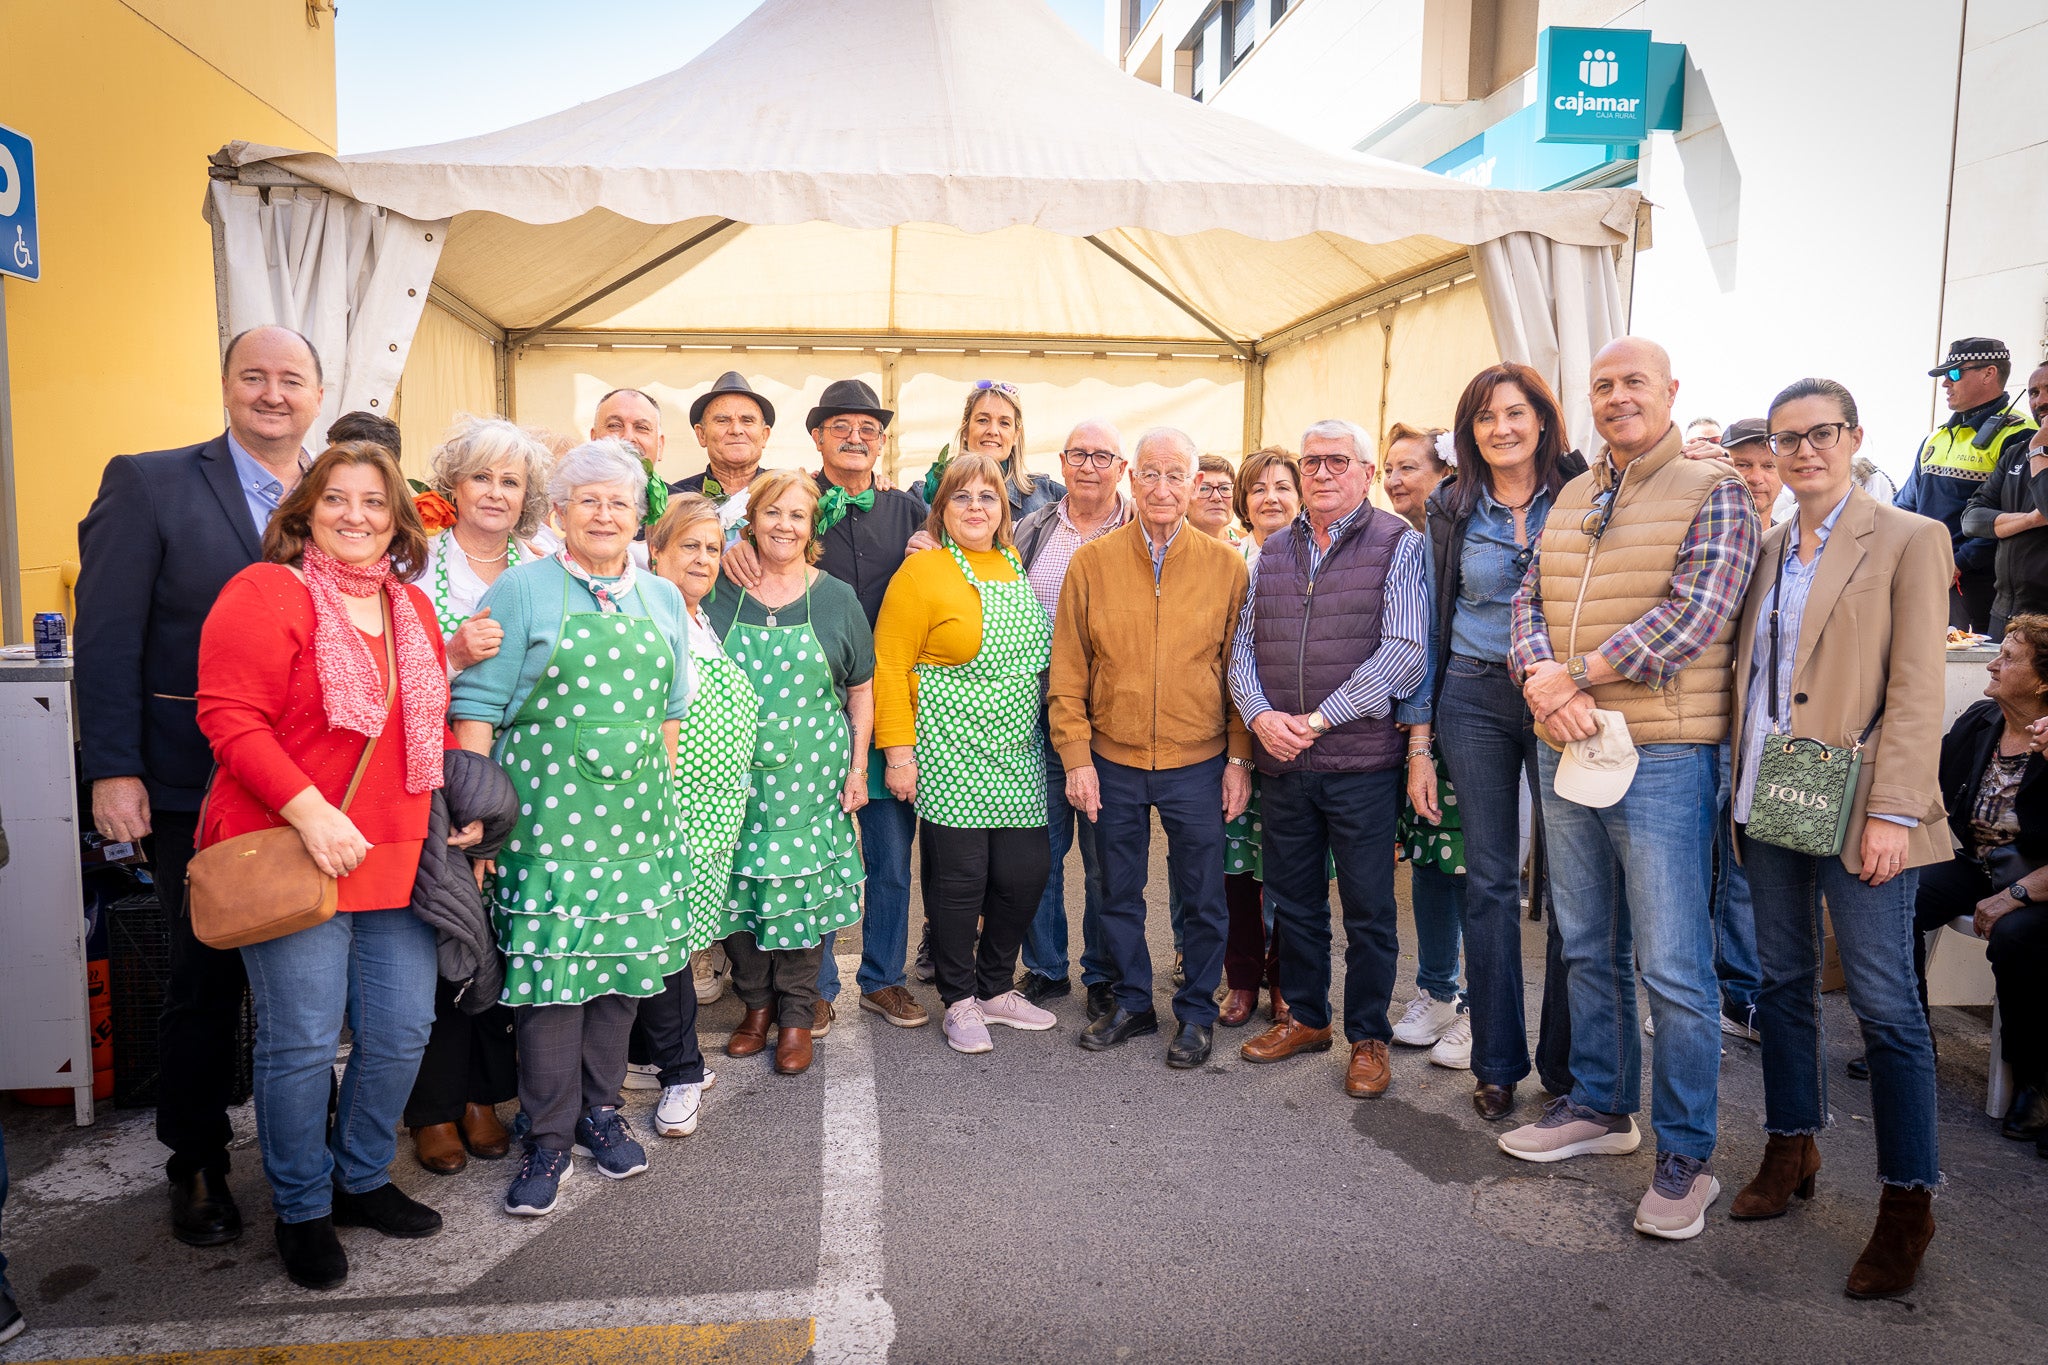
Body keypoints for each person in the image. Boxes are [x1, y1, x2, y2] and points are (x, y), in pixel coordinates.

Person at [1499, 336, 1760, 1243]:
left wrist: (1572, 678)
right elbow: (1525, 604)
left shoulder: (1715, 490)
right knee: (1584, 941)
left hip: (1663, 752)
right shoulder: (1573, 493)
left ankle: (1687, 1152)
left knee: (1675, 967)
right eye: (1603, 385)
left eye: (1634, 382)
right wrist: (1543, 680)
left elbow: (1698, 611)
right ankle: (1603, 1107)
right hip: (1567, 741)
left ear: (1671, 392)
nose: (1617, 397)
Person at [75, 324, 325, 1249]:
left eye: (290, 378)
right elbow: (105, 635)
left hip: (320, 785)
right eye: (253, 376)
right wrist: (113, 766)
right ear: (224, 385)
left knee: (312, 975)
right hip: (195, 779)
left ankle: (311, 1147)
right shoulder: (150, 483)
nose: (272, 393)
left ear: (316, 391)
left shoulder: (339, 490)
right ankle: (197, 1157)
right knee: (205, 974)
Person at [195, 441, 453, 1289]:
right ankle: (302, 1207)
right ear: (304, 511)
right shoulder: (267, 590)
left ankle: (360, 1177)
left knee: (400, 1029)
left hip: (394, 854)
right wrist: (312, 813)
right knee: (302, 1042)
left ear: (397, 518)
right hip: (293, 847)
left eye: (374, 502)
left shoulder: (411, 606)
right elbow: (231, 719)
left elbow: (428, 727)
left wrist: (460, 816)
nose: (356, 515)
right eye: (336, 498)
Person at [1726, 377, 1951, 1299]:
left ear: (1854, 436)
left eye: (1822, 433)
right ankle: (1793, 1143)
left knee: (1887, 1007)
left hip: (1862, 807)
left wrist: (1895, 811)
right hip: (1770, 798)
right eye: (1787, 438)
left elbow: (1919, 687)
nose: (1804, 450)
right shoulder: (1773, 544)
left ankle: (1908, 1202)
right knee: (1780, 984)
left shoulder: (1908, 537)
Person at [451, 438, 694, 1217]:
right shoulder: (523, 588)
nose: (603, 513)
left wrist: (666, 816)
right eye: (586, 499)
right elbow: (478, 710)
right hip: (546, 820)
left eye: (618, 501)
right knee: (553, 986)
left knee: (619, 977)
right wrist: (477, 819)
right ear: (557, 512)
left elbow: (670, 713)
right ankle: (548, 1134)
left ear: (637, 519)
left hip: (636, 821)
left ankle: (601, 1112)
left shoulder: (659, 597)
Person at [1401, 367, 1586, 1118]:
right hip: (1472, 694)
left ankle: (1567, 1065)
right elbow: (1431, 626)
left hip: (1564, 692)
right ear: (1468, 430)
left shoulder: (1584, 493)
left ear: (1543, 419)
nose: (1501, 427)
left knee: (1575, 886)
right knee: (1489, 881)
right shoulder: (1450, 506)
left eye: (1515, 412)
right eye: (1484, 416)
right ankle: (1498, 1061)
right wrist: (1419, 739)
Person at [723, 380, 929, 1033]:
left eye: (868, 428)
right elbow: (724, 530)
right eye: (841, 426)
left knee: (888, 856)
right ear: (817, 435)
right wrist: (732, 548)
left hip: (883, 698)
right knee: (804, 854)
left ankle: (885, 978)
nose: (856, 437)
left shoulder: (911, 511)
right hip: (806, 703)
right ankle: (814, 988)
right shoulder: (793, 499)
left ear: (882, 440)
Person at [1232, 418, 1427, 1098]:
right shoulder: (1275, 549)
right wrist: (1259, 715)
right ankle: (1308, 1017)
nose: (1319, 473)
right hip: (1285, 762)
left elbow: (1405, 651)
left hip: (1360, 762)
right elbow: (1242, 649)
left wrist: (1316, 720)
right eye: (1310, 461)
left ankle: (1367, 1035)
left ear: (1365, 473)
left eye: (1336, 461)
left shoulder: (1399, 543)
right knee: (1295, 897)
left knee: (1369, 906)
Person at [1051, 427, 1252, 1068]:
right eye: (1150, 474)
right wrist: (1077, 758)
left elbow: (1240, 670)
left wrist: (1239, 757)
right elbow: (1069, 671)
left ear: (1195, 486)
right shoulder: (1092, 562)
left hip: (1199, 760)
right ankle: (1133, 1001)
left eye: (1176, 475)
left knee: (1203, 896)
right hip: (1114, 759)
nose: (1162, 487)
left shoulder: (1227, 567)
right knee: (1116, 889)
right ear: (1130, 481)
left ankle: (1196, 1013)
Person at [398, 417, 554, 1174]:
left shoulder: (546, 563)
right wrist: (452, 653)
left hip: (529, 781)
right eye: (482, 476)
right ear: (452, 486)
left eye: (511, 480)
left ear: (528, 497)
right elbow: (384, 674)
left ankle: (485, 1096)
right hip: (432, 776)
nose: (496, 492)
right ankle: (431, 1106)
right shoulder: (413, 564)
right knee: (442, 934)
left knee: (507, 938)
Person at [876, 452, 1058, 1052]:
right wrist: (899, 753)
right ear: (942, 509)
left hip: (1016, 752)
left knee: (1023, 875)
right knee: (959, 883)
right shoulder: (921, 573)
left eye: (987, 497)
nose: (976, 507)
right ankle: (958, 999)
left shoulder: (1011, 563)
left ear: (1003, 509)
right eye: (962, 497)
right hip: (950, 751)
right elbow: (891, 666)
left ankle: (995, 988)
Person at [707, 469, 874, 1074]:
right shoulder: (720, 589)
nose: (784, 525)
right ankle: (756, 1008)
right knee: (740, 897)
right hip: (731, 780)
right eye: (772, 512)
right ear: (751, 520)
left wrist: (858, 768)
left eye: (797, 515)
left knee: (799, 898)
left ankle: (797, 1016)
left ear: (812, 527)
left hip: (809, 783)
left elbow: (861, 689)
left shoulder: (835, 598)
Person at [640, 494, 760, 1138]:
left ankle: (647, 1057)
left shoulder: (697, 617)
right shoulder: (650, 615)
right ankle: (678, 1070)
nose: (704, 559)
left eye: (713, 548)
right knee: (662, 941)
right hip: (670, 810)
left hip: (712, 815)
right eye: (689, 546)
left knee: (675, 942)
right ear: (655, 551)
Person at [1012, 421, 1131, 1014]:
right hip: (1039, 714)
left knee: (1107, 854)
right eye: (1078, 454)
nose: (1089, 465)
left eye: (1101, 456)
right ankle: (1046, 966)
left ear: (1121, 467)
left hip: (1112, 718)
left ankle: (1103, 972)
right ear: (1061, 462)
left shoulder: (1142, 529)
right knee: (1040, 851)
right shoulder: (1030, 529)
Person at [1919, 623, 2048, 1149]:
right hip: (1978, 863)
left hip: (2039, 880)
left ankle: (2033, 1079)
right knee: (1895, 894)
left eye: (2010, 657)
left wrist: (2015, 895)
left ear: (2042, 682)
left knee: (2018, 939)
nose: (1993, 664)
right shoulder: (1983, 720)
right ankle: (1908, 1038)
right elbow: (1931, 780)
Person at [1376, 420, 1472, 1064]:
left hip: (1465, 725)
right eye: (1388, 467)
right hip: (1412, 730)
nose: (1393, 479)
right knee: (1435, 864)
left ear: (1445, 474)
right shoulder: (1398, 543)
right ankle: (1438, 992)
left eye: (1408, 466)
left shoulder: (1461, 541)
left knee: (1470, 866)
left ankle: (1479, 1010)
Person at [1216, 447, 1300, 1026]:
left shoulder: (1320, 558)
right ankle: (1242, 978)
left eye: (1282, 487)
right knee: (1238, 867)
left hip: (1302, 738)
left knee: (1294, 867)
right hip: (1241, 736)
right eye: (1259, 488)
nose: (1271, 497)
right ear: (1244, 503)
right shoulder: (1229, 563)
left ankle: (1287, 980)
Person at [1897, 338, 2039, 633]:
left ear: (1989, 373)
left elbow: (2018, 519)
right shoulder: (1934, 439)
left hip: (1981, 586)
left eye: (1954, 374)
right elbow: (1904, 507)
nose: (1946, 383)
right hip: (1929, 575)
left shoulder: (2021, 436)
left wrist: (1957, 563)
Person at [1960, 362, 2048, 638]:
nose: (2041, 400)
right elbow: (1972, 519)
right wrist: (2030, 520)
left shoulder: (2031, 448)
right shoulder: (2014, 453)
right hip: (2005, 613)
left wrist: (2038, 451)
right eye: (2033, 392)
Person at [671, 371, 775, 527]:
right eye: (722, 420)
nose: (736, 430)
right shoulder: (677, 497)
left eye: (747, 420)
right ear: (702, 435)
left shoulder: (783, 491)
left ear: (764, 436)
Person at [951, 380, 1063, 520]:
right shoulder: (927, 497)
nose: (993, 431)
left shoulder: (1048, 496)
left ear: (1016, 435)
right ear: (966, 430)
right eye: (983, 420)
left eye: (1004, 423)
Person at [1379, 423, 1450, 531]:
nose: (1392, 482)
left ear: (1445, 475)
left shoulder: (1473, 538)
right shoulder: (1395, 541)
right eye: (1388, 470)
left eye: (1406, 468)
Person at [1188, 455, 1238, 540]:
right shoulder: (1169, 549)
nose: (1217, 497)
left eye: (1224, 488)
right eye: (1204, 488)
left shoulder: (1252, 548)